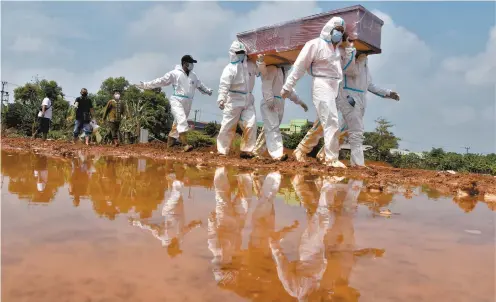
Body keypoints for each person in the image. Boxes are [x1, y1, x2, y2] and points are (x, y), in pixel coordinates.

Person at [280, 17, 353, 168]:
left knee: (323, 123)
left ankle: (301, 150)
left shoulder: (338, 50)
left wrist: (349, 47)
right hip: (321, 84)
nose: (339, 34)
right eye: (337, 30)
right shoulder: (314, 44)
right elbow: (299, 67)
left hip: (336, 86)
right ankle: (331, 159)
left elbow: (345, 70)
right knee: (332, 120)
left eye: (341, 31)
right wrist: (288, 86)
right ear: (329, 29)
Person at [335, 49, 400, 167]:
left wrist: (388, 93)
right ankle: (357, 164)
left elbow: (370, 85)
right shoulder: (348, 64)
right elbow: (348, 71)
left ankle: (326, 153)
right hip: (349, 98)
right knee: (357, 131)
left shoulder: (365, 69)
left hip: (360, 100)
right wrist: (351, 52)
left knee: (344, 130)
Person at [137, 55, 213, 152]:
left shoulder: (193, 76)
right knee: (182, 120)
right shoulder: (175, 73)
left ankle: (169, 147)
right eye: (190, 63)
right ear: (185, 63)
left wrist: (208, 91)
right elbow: (161, 81)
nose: (192, 65)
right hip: (177, 100)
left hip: (188, 102)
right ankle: (185, 145)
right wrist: (146, 85)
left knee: (177, 125)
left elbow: (200, 85)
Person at [253, 56, 309, 161]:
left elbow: (289, 91)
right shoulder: (272, 69)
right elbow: (266, 84)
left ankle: (257, 151)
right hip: (271, 102)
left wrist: (300, 102)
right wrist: (269, 100)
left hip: (279, 102)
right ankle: (277, 154)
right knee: (273, 128)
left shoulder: (283, 73)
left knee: (269, 128)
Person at [216, 40, 260, 159]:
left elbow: (260, 72)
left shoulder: (251, 65)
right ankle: (222, 150)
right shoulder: (229, 69)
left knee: (251, 124)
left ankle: (246, 150)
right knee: (228, 126)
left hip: (248, 99)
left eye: (242, 52)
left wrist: (260, 61)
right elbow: (224, 85)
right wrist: (221, 98)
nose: (240, 54)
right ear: (233, 53)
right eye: (238, 52)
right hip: (233, 99)